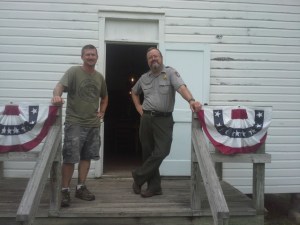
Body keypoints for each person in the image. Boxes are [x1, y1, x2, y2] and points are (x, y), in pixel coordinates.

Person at [131, 47, 202, 198]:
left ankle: (138, 176)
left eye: (156, 56)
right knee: (148, 152)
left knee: (162, 151)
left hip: (164, 119)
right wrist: (138, 107)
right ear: (148, 61)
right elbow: (134, 92)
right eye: (150, 57)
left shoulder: (170, 73)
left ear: (161, 58)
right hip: (147, 118)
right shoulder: (144, 77)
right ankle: (154, 187)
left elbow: (182, 88)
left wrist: (191, 100)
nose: (153, 59)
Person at [51, 44, 108, 207]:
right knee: (70, 157)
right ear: (82, 57)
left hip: (93, 124)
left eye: (93, 54)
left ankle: (81, 187)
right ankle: (64, 190)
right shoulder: (73, 72)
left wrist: (102, 111)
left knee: (86, 157)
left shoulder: (99, 77)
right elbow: (59, 87)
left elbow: (104, 97)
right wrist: (56, 96)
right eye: (88, 54)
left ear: (97, 57)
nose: (91, 57)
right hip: (74, 122)